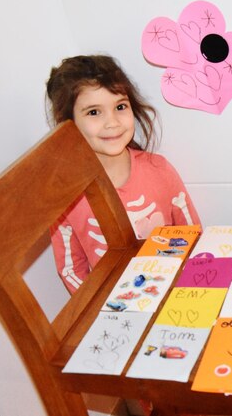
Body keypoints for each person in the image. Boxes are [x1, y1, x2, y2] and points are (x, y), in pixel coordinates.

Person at [46, 55, 200, 294]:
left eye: (120, 107)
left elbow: (192, 233)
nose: (113, 122)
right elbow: (71, 270)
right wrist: (97, 308)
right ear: (68, 123)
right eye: (94, 112)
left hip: (174, 292)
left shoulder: (159, 169)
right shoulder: (65, 196)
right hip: (113, 306)